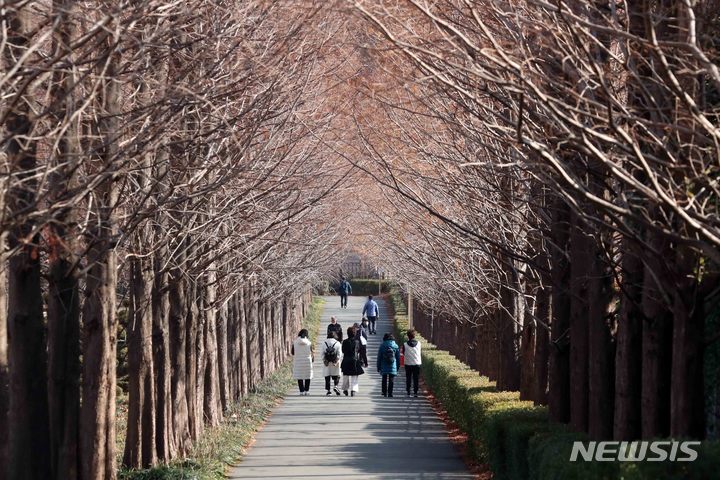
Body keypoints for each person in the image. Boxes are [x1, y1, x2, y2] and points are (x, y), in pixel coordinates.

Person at [340, 327, 364, 396]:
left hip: (346, 360)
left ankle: (345, 389)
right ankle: (353, 390)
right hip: (355, 360)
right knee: (354, 376)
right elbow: (359, 351)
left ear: (348, 333)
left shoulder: (344, 341)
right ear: (355, 334)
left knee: (345, 376)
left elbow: (343, 351)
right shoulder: (357, 342)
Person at [377, 333, 400, 397]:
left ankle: (384, 392)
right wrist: (398, 366)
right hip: (393, 364)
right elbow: (398, 358)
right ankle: (390, 393)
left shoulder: (382, 345)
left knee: (384, 378)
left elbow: (379, 357)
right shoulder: (395, 346)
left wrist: (378, 367)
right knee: (391, 379)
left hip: (384, 365)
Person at [292, 329, 313, 395]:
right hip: (307, 361)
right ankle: (307, 391)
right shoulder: (309, 343)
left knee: (299, 376)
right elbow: (311, 351)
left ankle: (301, 391)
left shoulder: (295, 342)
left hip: (298, 360)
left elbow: (292, 352)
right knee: (307, 375)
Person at [322, 332, 343, 396]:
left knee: (327, 376)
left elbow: (322, 354)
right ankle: (335, 386)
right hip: (335, 362)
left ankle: (328, 391)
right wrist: (336, 361)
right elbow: (339, 354)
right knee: (336, 375)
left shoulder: (324, 343)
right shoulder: (338, 343)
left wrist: (325, 360)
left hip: (327, 362)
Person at [403, 329, 422, 397]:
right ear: (414, 335)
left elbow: (403, 353)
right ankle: (415, 392)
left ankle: (408, 392)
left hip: (408, 363)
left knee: (408, 378)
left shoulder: (405, 344)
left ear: (408, 336)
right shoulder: (419, 343)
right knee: (416, 378)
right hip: (417, 363)